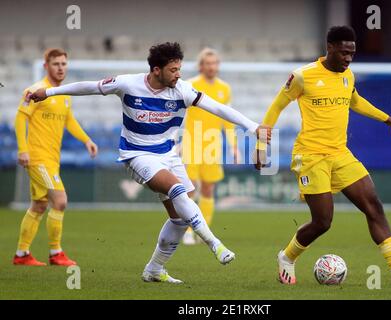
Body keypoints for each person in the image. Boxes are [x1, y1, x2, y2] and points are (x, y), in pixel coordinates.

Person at [30, 42, 270, 283]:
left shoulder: (183, 90)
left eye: (179, 69)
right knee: (178, 190)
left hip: (167, 155)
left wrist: (253, 127)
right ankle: (214, 243)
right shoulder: (128, 84)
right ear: (157, 70)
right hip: (137, 154)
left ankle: (154, 269)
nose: (178, 74)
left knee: (178, 218)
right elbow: (89, 87)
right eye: (173, 70)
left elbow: (219, 109)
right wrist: (49, 92)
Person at [254, 26, 391, 285]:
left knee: (374, 206)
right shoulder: (303, 76)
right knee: (323, 222)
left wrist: (387, 119)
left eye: (352, 53)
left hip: (340, 153)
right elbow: (276, 107)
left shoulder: (348, 75)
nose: (348, 58)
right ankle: (287, 257)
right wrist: (260, 146)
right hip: (311, 156)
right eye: (344, 52)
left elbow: (355, 100)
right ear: (330, 48)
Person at [14, 48, 98, 266]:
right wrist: (22, 149)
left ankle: (22, 254)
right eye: (56, 64)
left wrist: (87, 140)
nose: (60, 68)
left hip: (52, 159)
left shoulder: (63, 94)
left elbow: (69, 120)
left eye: (63, 64)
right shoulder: (35, 90)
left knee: (39, 205)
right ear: (46, 66)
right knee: (60, 201)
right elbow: (20, 118)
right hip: (38, 157)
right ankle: (55, 253)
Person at [182, 48, 240, 245]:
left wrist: (234, 146)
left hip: (212, 146)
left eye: (215, 63)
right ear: (201, 66)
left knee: (208, 189)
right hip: (191, 143)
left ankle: (203, 231)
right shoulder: (190, 85)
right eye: (208, 63)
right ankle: (188, 230)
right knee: (190, 189)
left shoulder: (225, 89)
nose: (212, 67)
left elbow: (228, 119)